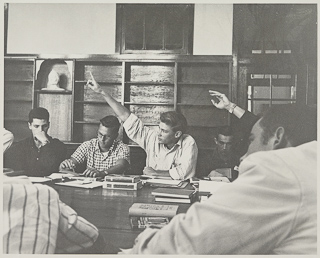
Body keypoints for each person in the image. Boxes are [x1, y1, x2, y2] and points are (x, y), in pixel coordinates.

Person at [123, 103, 317, 254]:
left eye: (251, 140)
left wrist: (144, 238)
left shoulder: (278, 172)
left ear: (278, 137)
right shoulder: (310, 162)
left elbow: (185, 243)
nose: (243, 155)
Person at [86, 72, 198, 180]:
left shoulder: (188, 142)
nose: (159, 133)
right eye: (159, 128)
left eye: (164, 131)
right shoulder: (153, 137)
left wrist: (155, 173)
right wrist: (101, 92)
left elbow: (184, 172)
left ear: (177, 134)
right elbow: (126, 116)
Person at [3, 174, 107, 254]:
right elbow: (72, 160)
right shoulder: (36, 194)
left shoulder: (31, 194)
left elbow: (121, 163)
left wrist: (105, 172)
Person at [59, 115, 130, 178]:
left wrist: (102, 173)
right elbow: (72, 163)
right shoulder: (88, 145)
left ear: (115, 136)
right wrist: (66, 165)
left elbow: (121, 166)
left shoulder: (122, 148)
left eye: (107, 136)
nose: (102, 139)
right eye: (100, 134)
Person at [4, 107, 67, 177]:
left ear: (48, 125)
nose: (40, 130)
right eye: (36, 126)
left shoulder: (58, 146)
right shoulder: (20, 147)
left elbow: (52, 168)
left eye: (44, 126)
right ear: (29, 126)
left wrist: (45, 143)